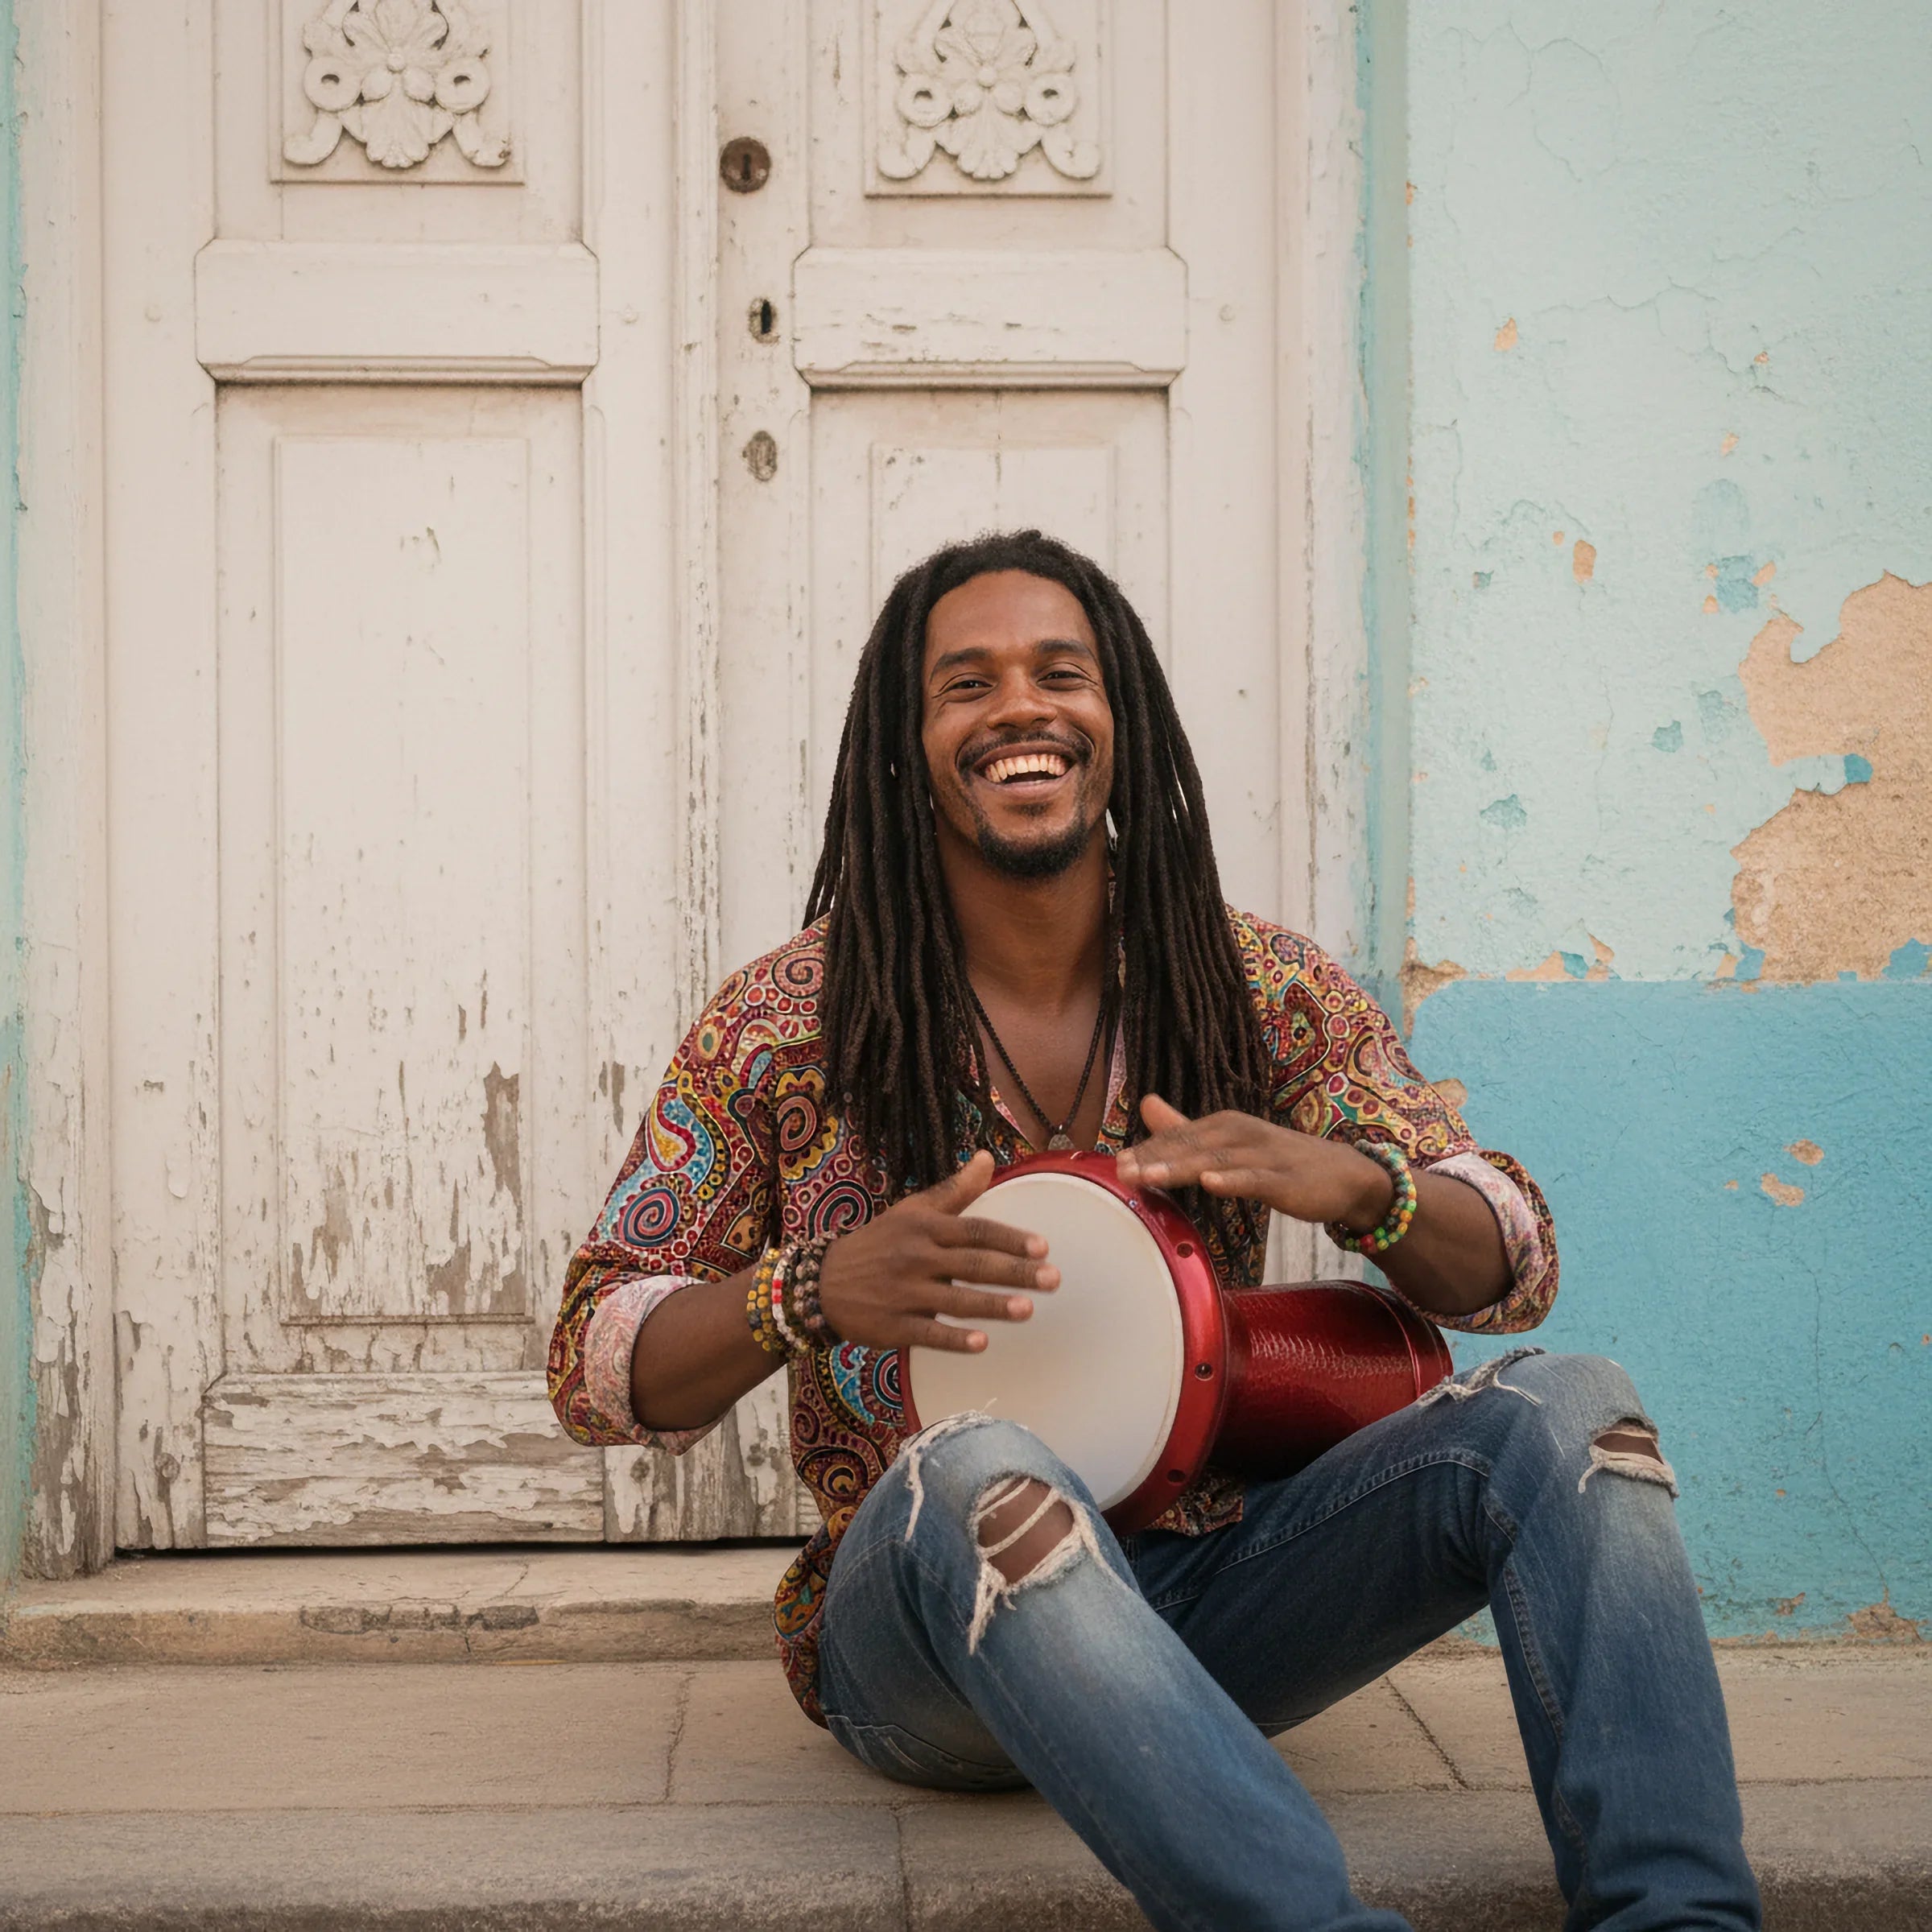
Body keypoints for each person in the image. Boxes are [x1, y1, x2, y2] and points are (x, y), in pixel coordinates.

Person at [549, 530, 1760, 1931]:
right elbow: (594, 1360)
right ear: (904, 746)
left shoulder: (1253, 984)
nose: (1021, 708)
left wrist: (1360, 1186)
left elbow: (1513, 1263)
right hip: (927, 1646)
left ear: (1119, 718)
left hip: (1214, 1602)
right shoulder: (786, 1020)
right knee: (982, 1464)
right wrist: (805, 1289)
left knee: (1578, 1410)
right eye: (966, 684)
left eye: (1061, 674)